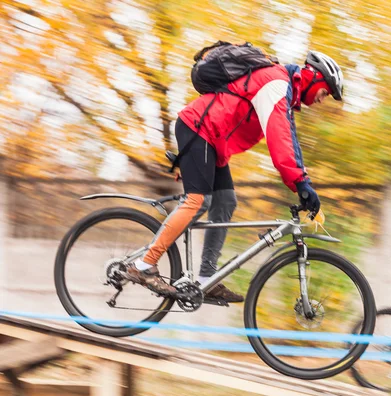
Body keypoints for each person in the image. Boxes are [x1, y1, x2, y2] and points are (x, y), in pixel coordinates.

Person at [122, 50, 344, 302]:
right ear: (313, 77)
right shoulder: (277, 83)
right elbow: (279, 139)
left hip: (212, 142)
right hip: (199, 129)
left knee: (225, 201)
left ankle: (207, 279)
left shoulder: (284, 92)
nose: (321, 100)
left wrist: (303, 180)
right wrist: (300, 183)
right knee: (198, 200)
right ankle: (144, 266)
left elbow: (290, 140)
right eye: (324, 93)